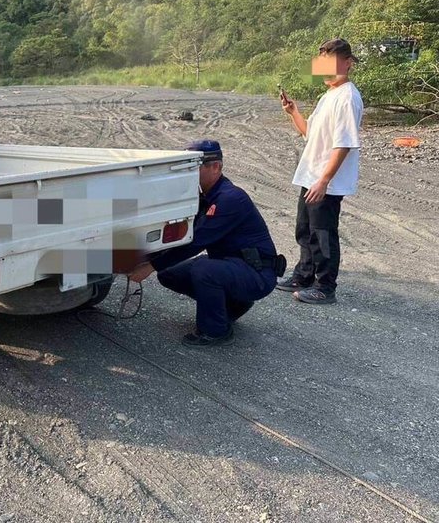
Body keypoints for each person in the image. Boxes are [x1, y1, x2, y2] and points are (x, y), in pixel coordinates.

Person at [129, 140, 281, 347]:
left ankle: (215, 331)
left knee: (204, 269)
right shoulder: (206, 196)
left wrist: (149, 267)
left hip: (257, 273)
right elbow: (179, 235)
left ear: (215, 167)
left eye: (194, 168)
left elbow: (195, 242)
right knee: (169, 273)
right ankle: (233, 305)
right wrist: (142, 257)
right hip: (232, 265)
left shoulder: (230, 198)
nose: (189, 174)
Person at [277, 38, 363, 305]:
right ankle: (304, 275)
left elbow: (345, 144)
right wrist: (293, 112)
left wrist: (324, 180)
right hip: (311, 176)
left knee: (323, 234)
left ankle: (325, 287)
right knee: (305, 230)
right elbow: (310, 133)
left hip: (326, 182)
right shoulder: (328, 96)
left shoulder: (348, 97)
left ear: (348, 63)